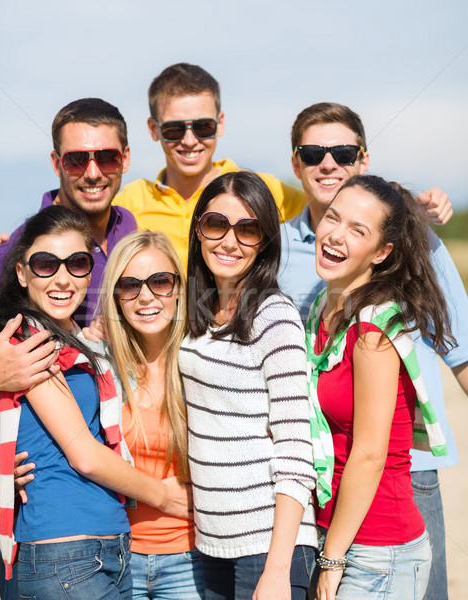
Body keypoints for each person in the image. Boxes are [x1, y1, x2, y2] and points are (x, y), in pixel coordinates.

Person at [277, 102, 468, 600]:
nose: (328, 162)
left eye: (342, 151)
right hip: (329, 503)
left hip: (388, 506)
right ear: (295, 162)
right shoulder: (315, 289)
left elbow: (461, 354)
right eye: (314, 152)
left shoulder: (379, 318)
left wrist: (333, 559)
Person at [0, 206, 190, 600]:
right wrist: (167, 496)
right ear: (21, 273)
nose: (62, 278)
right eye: (46, 264)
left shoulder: (75, 342)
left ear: (90, 272)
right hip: (65, 553)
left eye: (77, 263)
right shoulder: (29, 343)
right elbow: (84, 453)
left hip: (100, 549)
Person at [306, 175, 456, 599]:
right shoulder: (324, 306)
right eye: (333, 218)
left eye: (358, 230)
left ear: (382, 251)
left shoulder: (375, 325)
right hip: (337, 533)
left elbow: (370, 454)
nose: (336, 235)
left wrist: (332, 559)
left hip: (378, 552)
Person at [179, 170, 317, 600]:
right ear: (198, 229)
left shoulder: (274, 318)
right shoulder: (194, 314)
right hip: (210, 543)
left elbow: (296, 449)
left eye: (248, 229)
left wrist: (277, 569)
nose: (229, 241)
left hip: (269, 546)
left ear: (266, 241)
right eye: (216, 224)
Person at [0, 97, 137, 416]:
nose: (93, 173)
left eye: (107, 157)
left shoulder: (129, 225)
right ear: (57, 163)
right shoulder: (20, 248)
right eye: (77, 160)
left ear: (125, 159)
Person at [113, 62, 308, 268]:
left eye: (203, 126)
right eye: (174, 129)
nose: (189, 140)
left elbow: (329, 215)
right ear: (153, 129)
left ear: (220, 123)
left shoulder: (267, 191)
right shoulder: (129, 203)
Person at [99, 230, 205, 599]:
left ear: (178, 287)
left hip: (191, 560)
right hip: (114, 560)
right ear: (116, 297)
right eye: (130, 285)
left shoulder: (203, 362)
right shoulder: (100, 370)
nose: (146, 296)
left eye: (160, 281)